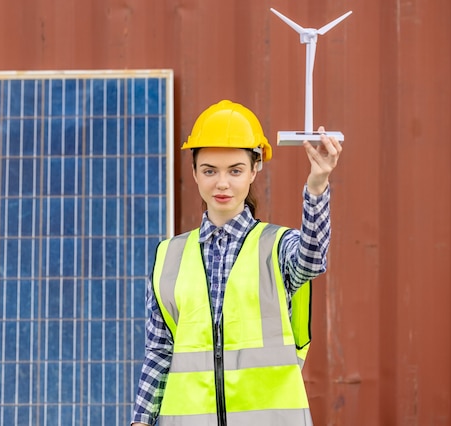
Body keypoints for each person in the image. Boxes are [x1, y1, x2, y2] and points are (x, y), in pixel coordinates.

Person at [131, 99, 342, 426]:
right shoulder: (167, 256)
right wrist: (140, 421)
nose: (222, 183)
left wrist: (317, 185)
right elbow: (159, 352)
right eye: (209, 170)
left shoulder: (277, 246)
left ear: (255, 169)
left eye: (235, 170)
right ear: (194, 172)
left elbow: (312, 258)